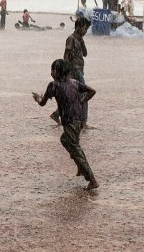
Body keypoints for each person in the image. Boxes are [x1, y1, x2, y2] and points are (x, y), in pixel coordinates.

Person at [32, 59, 99, 191]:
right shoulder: (75, 82)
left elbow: (42, 103)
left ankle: (92, 180)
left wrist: (38, 98)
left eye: (52, 70)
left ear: (57, 72)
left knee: (75, 149)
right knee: (65, 140)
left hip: (69, 121)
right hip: (80, 119)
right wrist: (82, 101)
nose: (51, 72)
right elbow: (92, 91)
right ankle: (80, 167)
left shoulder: (53, 85)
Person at [55, 16, 90, 125]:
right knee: (85, 94)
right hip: (74, 70)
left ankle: (57, 114)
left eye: (87, 29)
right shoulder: (71, 38)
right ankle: (83, 121)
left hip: (80, 69)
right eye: (84, 29)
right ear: (78, 27)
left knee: (73, 96)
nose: (85, 31)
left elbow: (85, 53)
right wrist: (66, 72)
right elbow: (66, 55)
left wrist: (82, 41)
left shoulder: (79, 39)